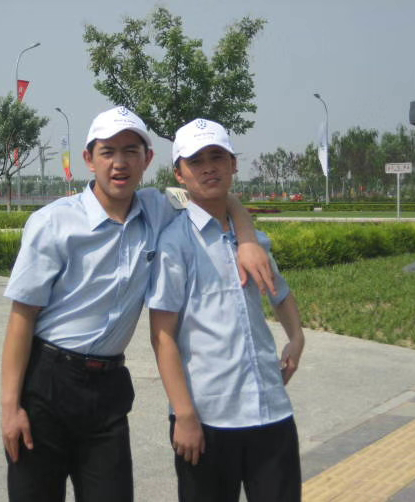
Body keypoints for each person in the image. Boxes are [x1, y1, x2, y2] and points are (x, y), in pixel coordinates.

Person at [0, 106, 276, 502]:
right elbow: (22, 317)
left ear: (147, 159)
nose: (120, 162)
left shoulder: (158, 208)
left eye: (131, 151)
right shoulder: (54, 223)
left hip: (107, 390)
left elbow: (218, 196)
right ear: (89, 159)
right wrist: (11, 407)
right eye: (108, 151)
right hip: (47, 384)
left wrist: (246, 239)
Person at [147, 118, 305, 502]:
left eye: (217, 156)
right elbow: (162, 335)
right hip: (208, 419)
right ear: (179, 174)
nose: (208, 168)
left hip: (270, 411)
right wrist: (184, 415)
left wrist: (297, 337)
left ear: (233, 164)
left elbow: (280, 293)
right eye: (196, 160)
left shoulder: (253, 240)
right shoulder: (175, 243)